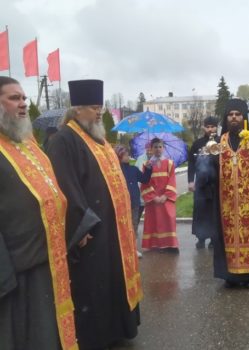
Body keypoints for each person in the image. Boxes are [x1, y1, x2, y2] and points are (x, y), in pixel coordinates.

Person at [46, 79, 141, 349]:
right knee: (94, 283)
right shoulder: (64, 139)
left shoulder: (97, 138)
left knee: (113, 278)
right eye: (92, 107)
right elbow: (65, 185)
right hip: (92, 229)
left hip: (113, 228)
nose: (99, 113)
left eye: (100, 107)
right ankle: (98, 335)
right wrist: (79, 228)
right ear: (77, 110)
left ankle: (119, 327)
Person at [0, 76, 77, 350]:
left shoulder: (30, 145)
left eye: (23, 98)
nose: (23, 104)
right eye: (13, 98)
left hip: (50, 259)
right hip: (18, 271)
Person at [197, 98, 249, 287]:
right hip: (226, 203)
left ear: (244, 116)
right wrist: (206, 164)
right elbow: (209, 172)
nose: (234, 117)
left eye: (238, 114)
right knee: (226, 236)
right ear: (226, 117)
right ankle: (230, 275)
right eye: (231, 114)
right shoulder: (218, 143)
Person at [140, 137, 179, 251]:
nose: (158, 149)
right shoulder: (147, 165)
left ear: (163, 148)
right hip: (154, 200)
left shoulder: (169, 163)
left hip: (166, 198)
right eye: (155, 147)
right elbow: (145, 183)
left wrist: (165, 195)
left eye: (160, 147)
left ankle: (170, 245)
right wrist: (154, 197)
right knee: (155, 222)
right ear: (151, 149)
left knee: (169, 220)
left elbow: (172, 180)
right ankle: (155, 244)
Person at [114, 144, 152, 258]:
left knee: (133, 226)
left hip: (134, 203)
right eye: (125, 154)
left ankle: (133, 249)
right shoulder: (115, 170)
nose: (128, 156)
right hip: (121, 204)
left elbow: (145, 179)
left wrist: (148, 169)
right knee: (122, 227)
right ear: (119, 156)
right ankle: (121, 250)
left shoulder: (133, 169)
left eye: (128, 154)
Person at [187, 116, 219, 249]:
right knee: (201, 211)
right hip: (200, 184)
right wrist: (190, 181)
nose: (210, 129)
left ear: (217, 127)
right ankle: (201, 238)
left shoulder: (221, 142)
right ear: (204, 128)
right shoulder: (197, 144)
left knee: (214, 212)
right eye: (208, 126)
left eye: (213, 126)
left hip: (216, 183)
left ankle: (213, 238)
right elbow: (191, 164)